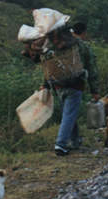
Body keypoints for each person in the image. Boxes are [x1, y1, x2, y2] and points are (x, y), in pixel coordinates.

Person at [37, 25, 99, 156]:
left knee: (70, 112)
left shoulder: (52, 47)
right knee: (69, 114)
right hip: (75, 85)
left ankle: (75, 141)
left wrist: (45, 85)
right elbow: (92, 68)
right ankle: (61, 144)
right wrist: (95, 90)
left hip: (58, 85)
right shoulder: (81, 46)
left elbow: (48, 67)